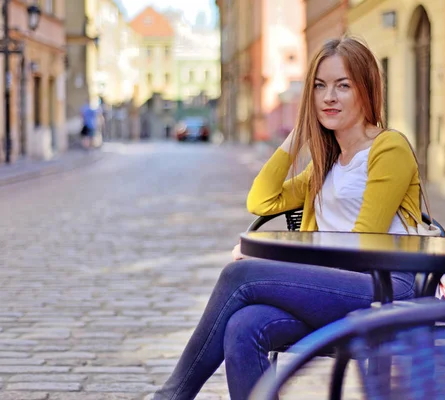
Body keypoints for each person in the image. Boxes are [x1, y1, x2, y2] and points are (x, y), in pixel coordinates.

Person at [153, 36, 422, 400]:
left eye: (343, 86)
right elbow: (261, 200)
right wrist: (296, 140)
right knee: (243, 326)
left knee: (241, 273)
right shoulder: (325, 166)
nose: (329, 97)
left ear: (367, 90)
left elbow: (363, 245)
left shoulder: (389, 148)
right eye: (319, 87)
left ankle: (172, 395)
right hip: (334, 291)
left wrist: (271, 261)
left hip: (384, 289)